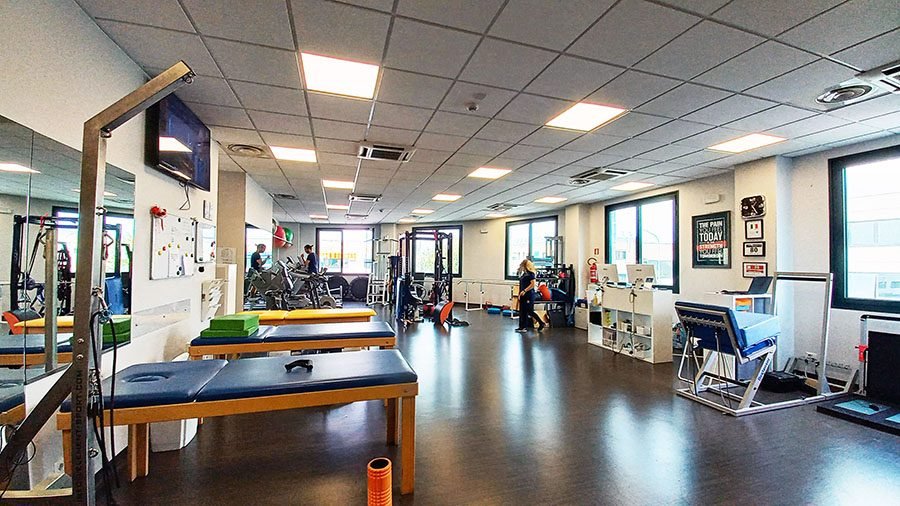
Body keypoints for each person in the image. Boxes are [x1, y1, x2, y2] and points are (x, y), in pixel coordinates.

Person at [515, 258, 545, 332]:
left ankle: (541, 323)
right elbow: (522, 285)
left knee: (529, 311)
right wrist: (520, 294)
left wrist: (525, 290)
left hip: (529, 295)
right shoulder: (524, 274)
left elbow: (533, 284)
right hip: (523, 294)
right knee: (522, 311)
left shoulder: (531, 274)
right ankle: (522, 327)